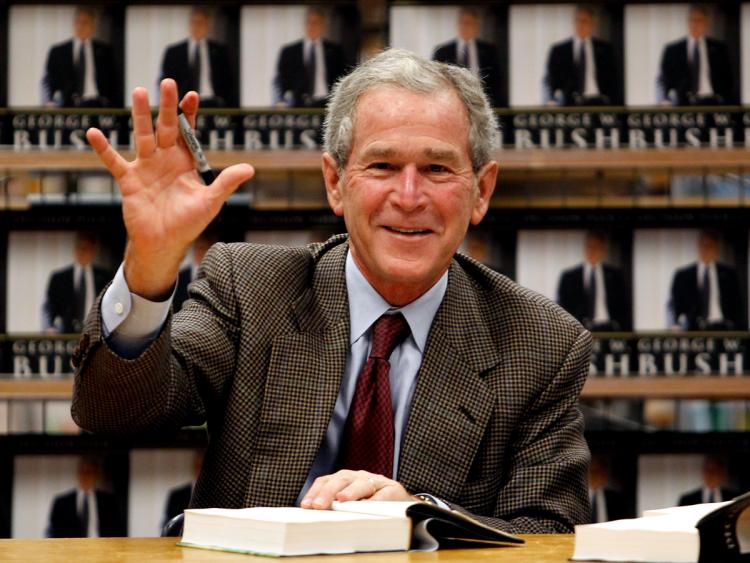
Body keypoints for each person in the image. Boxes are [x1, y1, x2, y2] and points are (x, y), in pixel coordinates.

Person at [74, 49, 591, 533]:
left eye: (436, 169)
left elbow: (549, 533)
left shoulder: (542, 342)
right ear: (335, 181)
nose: (408, 197)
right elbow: (115, 415)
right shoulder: (250, 287)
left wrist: (422, 516)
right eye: (382, 166)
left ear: (481, 191)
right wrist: (151, 262)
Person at [658, 5, 734, 106]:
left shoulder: (719, 48)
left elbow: (728, 79)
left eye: (699, 20)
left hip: (713, 102)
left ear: (707, 24)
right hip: (682, 102)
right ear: (688, 22)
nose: (694, 24)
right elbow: (663, 80)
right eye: (692, 20)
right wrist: (665, 100)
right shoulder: (672, 50)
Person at [544, 6, 620, 106]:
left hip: (599, 102)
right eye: (577, 21)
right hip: (568, 102)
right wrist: (551, 99)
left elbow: (614, 78)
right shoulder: (559, 50)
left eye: (585, 21)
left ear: (593, 24)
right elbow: (550, 79)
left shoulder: (605, 49)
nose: (580, 25)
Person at [160, 7, 236, 108]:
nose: (197, 26)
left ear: (208, 26)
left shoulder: (220, 51)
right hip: (184, 104)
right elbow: (167, 82)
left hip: (214, 104)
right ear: (189, 25)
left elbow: (229, 82)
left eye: (201, 22)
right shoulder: (173, 52)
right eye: (194, 22)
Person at [42, 7, 118, 107]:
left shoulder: (105, 51)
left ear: (92, 26)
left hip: (98, 104)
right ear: (73, 24)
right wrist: (48, 101)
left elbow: (114, 82)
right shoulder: (57, 51)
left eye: (85, 22)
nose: (81, 26)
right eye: (78, 22)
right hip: (67, 105)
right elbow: (47, 81)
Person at [669, 230, 743, 331]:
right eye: (703, 245)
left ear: (716, 249)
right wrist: (675, 324)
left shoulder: (730, 274)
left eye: (710, 246)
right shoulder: (683, 275)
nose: (706, 249)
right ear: (698, 247)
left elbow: (738, 305)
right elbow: (673, 305)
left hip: (724, 327)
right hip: (692, 327)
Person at [274, 8, 347, 107]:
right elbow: (280, 80)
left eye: (315, 23)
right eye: (308, 22)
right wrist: (280, 100)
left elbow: (343, 78)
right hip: (298, 105)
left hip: (326, 105)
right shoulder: (289, 51)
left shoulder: (335, 51)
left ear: (323, 26)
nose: (311, 26)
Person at [557, 232, 630, 331]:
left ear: (603, 250)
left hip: (610, 328)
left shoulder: (616, 275)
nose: (592, 251)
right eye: (589, 247)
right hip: (580, 329)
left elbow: (624, 306)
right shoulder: (569, 277)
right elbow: (562, 307)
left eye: (596, 247)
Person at [432, 8, 503, 107]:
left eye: (469, 23)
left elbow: (497, 82)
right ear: (457, 25)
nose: (465, 26)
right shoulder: (442, 51)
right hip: (452, 102)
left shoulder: (489, 50)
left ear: (476, 26)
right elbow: (436, 80)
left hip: (482, 103)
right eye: (462, 23)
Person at [43, 232, 111, 333]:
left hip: (96, 334)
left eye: (86, 248)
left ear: (94, 251)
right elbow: (48, 308)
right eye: (79, 247)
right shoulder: (59, 278)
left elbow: (110, 306)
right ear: (74, 249)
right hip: (65, 335)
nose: (82, 251)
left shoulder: (106, 277)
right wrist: (49, 327)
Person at [47, 457, 126, 538]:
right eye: (82, 471)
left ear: (96, 475)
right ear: (77, 474)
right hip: (71, 548)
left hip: (101, 547)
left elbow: (118, 532)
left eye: (89, 472)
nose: (85, 476)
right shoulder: (61, 503)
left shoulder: (109, 502)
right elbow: (52, 533)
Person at [174, 231, 219, 311]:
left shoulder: (218, 277)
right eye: (197, 248)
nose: (200, 252)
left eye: (204, 248)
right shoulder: (180, 277)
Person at [163, 451, 205, 528]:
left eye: (205, 468)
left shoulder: (218, 494)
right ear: (194, 467)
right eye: (199, 467)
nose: (202, 471)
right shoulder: (176, 495)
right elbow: (169, 525)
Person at [588, 457, 628, 522]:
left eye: (598, 471)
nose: (594, 475)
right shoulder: (578, 498)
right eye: (591, 472)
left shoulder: (615, 498)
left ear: (604, 475)